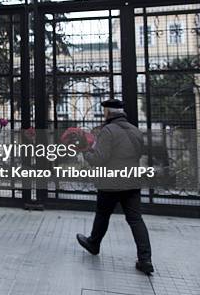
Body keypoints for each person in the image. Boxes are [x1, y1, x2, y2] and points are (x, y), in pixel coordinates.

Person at [76, 98, 154, 275]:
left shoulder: (108, 131)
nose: (103, 115)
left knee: (103, 214)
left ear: (108, 113)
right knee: (135, 219)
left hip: (111, 181)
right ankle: (145, 259)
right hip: (132, 181)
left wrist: (86, 152)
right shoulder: (135, 130)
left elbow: (99, 159)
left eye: (104, 112)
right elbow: (138, 153)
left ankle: (93, 243)